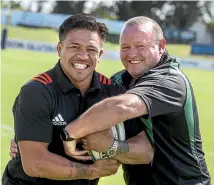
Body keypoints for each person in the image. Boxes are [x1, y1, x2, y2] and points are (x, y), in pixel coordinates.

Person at [3, 14, 153, 185]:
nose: (83, 56)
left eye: (91, 49)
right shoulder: (36, 91)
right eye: (75, 47)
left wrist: (111, 146)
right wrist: (91, 172)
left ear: (100, 54)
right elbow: (35, 164)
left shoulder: (114, 93)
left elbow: (145, 151)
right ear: (60, 49)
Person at [61, 16, 211, 185]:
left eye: (140, 46)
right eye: (125, 47)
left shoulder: (170, 80)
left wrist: (71, 133)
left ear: (161, 46)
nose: (132, 53)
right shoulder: (118, 81)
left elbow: (123, 107)